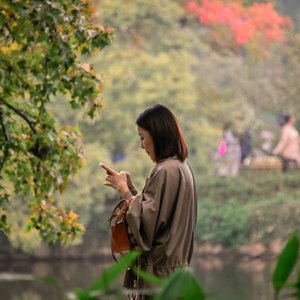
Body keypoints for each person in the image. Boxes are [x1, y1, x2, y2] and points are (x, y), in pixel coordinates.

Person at [100, 104, 197, 299]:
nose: (142, 145)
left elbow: (145, 227)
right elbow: (156, 211)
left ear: (158, 135)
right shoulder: (181, 167)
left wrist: (124, 190)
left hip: (158, 281)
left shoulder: (164, 171)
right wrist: (131, 190)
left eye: (143, 137)